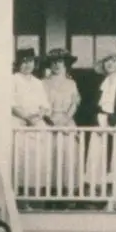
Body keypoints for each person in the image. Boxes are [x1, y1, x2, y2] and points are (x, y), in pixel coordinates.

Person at [86, 50, 116, 210]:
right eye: (107, 60)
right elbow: (95, 105)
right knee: (99, 159)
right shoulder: (102, 83)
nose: (110, 63)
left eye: (114, 60)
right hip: (100, 124)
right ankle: (104, 199)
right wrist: (98, 119)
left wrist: (112, 120)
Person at [11, 49, 51, 201]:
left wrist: (39, 115)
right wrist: (27, 118)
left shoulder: (38, 82)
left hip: (36, 122)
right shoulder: (13, 79)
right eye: (24, 61)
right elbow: (11, 104)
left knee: (37, 159)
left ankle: (34, 193)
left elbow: (45, 105)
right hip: (19, 121)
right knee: (20, 159)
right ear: (19, 63)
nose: (27, 65)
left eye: (31, 62)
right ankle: (19, 193)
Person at [42, 48, 81, 198]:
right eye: (53, 62)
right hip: (49, 122)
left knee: (68, 156)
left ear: (65, 64)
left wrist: (65, 121)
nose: (56, 65)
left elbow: (74, 103)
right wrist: (53, 123)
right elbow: (42, 104)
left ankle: (68, 193)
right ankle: (51, 193)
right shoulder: (44, 83)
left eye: (60, 62)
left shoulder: (71, 83)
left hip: (67, 122)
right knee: (51, 157)